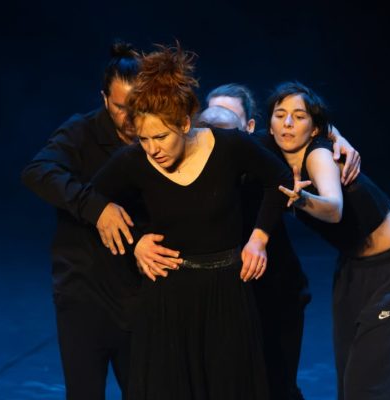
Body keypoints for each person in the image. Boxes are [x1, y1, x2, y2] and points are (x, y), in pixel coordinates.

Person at [90, 44, 295, 400]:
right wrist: (136, 241)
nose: (152, 149)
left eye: (161, 137)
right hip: (167, 296)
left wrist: (259, 238)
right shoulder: (134, 161)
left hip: (226, 293)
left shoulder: (229, 146)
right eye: (144, 139)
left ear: (185, 123)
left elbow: (280, 179)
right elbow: (93, 199)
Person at [268, 81, 390, 400]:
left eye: (299, 116)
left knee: (368, 386)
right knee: (350, 382)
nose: (288, 123)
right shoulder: (270, 151)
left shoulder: (318, 154)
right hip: (353, 268)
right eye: (280, 114)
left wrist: (302, 199)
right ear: (269, 123)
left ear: (314, 128)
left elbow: (334, 208)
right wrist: (336, 133)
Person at [204, 84, 361, 400]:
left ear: (249, 127)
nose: (219, 129)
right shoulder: (197, 164)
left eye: (229, 120)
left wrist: (336, 136)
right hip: (231, 295)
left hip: (278, 292)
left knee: (278, 385)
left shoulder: (265, 148)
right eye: (211, 120)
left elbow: (307, 125)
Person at [21, 41, 147, 400]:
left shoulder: (157, 138)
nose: (130, 119)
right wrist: (96, 207)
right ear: (105, 99)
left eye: (138, 108)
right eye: (121, 107)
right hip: (84, 296)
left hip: (141, 299)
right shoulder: (81, 132)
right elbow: (37, 171)